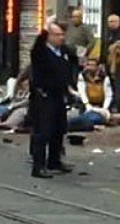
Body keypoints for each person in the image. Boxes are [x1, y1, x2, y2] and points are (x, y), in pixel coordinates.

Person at [29, 20, 77, 178]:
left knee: (58, 129)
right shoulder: (40, 51)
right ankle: (38, 166)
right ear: (48, 36)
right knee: (43, 132)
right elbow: (36, 48)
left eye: (62, 35)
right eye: (57, 35)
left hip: (59, 95)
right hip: (44, 95)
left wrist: (70, 88)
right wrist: (44, 30)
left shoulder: (63, 51)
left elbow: (70, 66)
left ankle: (54, 161)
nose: (61, 38)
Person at [103, 14, 120, 114]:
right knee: (109, 85)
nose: (111, 24)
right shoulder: (108, 34)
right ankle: (109, 105)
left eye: (113, 22)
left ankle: (117, 107)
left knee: (118, 85)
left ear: (118, 22)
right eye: (110, 22)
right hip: (107, 64)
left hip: (119, 64)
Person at [75, 58, 112, 126]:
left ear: (97, 67)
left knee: (96, 119)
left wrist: (104, 108)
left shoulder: (104, 77)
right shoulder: (82, 76)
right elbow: (82, 92)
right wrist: (87, 105)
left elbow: (108, 95)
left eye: (92, 65)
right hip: (87, 105)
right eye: (88, 65)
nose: (90, 67)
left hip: (101, 105)